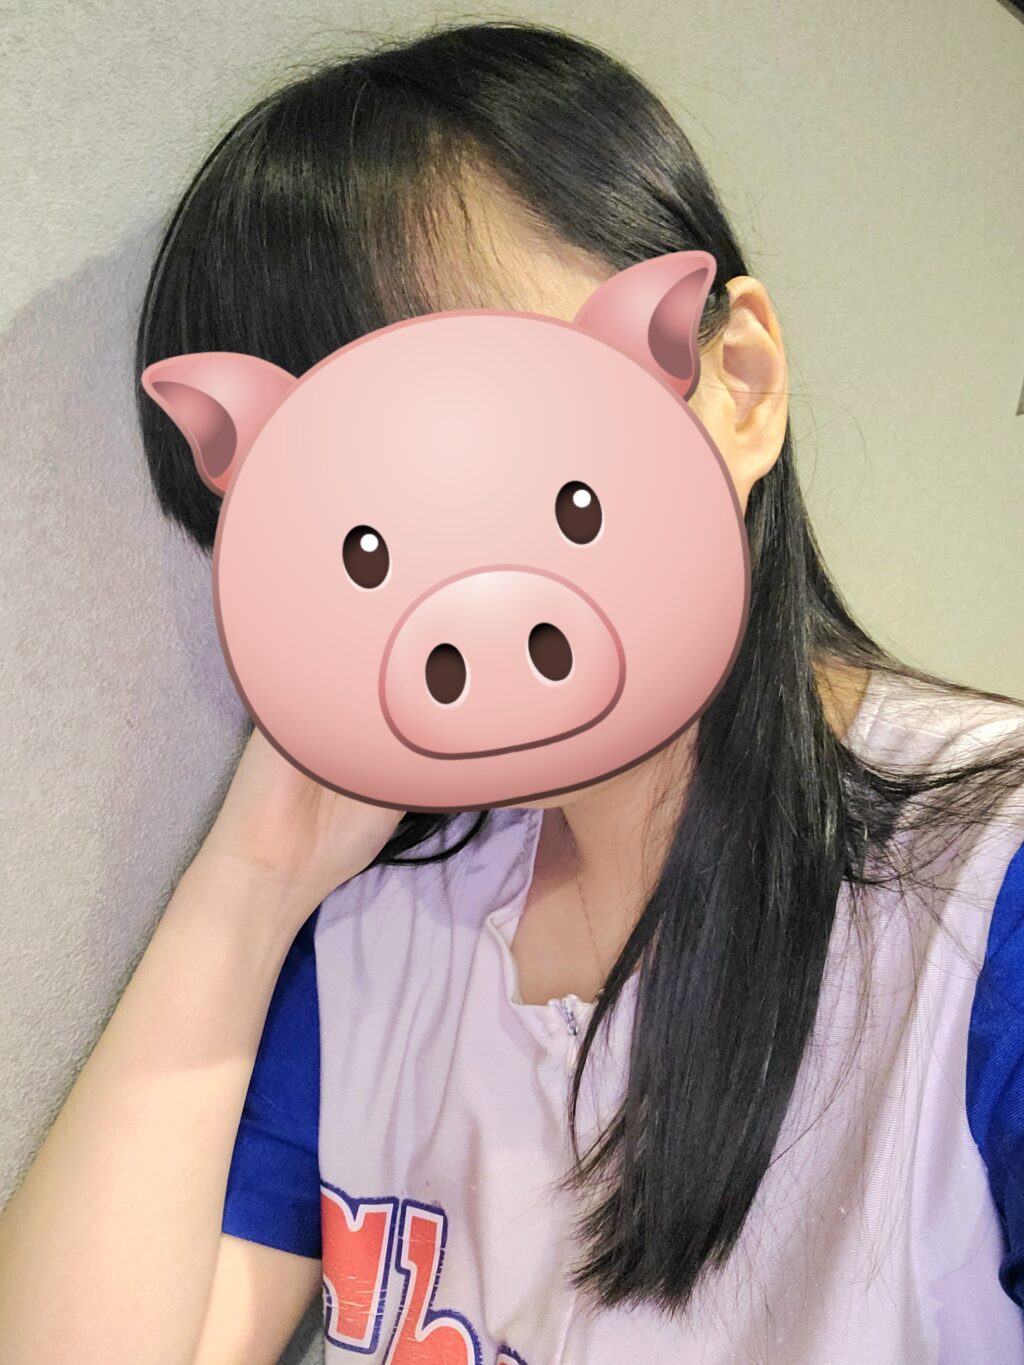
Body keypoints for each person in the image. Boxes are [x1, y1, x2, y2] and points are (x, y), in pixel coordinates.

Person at [1, 18, 1023, 1365]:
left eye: (503, 429)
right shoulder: (380, 929)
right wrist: (250, 883)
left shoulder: (986, 893)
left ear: (738, 385)